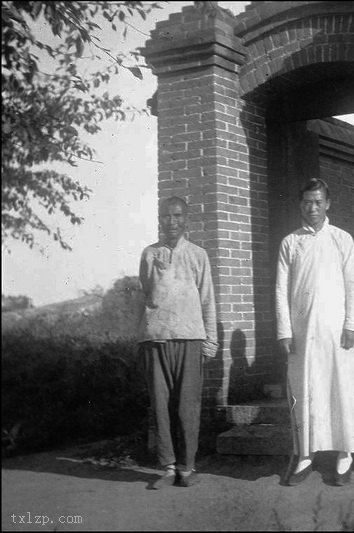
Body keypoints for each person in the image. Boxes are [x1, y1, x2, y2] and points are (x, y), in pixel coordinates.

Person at [275, 178, 354, 486]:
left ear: (327, 204)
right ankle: (306, 455)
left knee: (340, 389)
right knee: (306, 391)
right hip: (303, 333)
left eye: (318, 201)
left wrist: (352, 324)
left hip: (336, 332)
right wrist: (285, 331)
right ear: (301, 205)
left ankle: (344, 453)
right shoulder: (290, 242)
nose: (312, 207)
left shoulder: (342, 239)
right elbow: (281, 290)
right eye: (306, 202)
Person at [138, 196, 218, 489]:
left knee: (187, 406)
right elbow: (147, 293)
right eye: (166, 216)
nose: (171, 222)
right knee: (160, 406)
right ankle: (168, 467)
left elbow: (208, 299)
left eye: (177, 216)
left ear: (186, 220)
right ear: (159, 219)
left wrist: (210, 342)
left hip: (190, 338)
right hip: (157, 338)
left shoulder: (198, 255)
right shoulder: (149, 254)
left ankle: (187, 467)